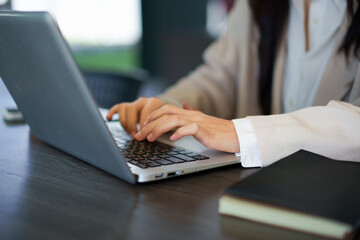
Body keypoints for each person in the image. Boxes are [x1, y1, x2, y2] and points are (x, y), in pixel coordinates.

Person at [107, 0, 360, 168]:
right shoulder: (256, 5)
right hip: (260, 191)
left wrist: (242, 133)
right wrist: (167, 108)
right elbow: (220, 76)